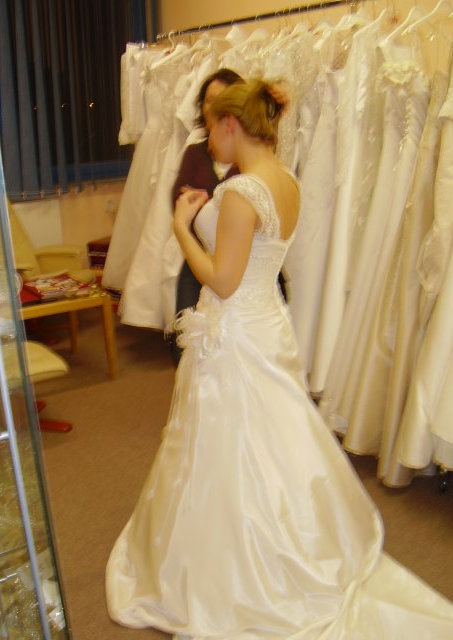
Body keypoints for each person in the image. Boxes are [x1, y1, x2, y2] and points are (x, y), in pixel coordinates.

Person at [106, 80, 453, 639]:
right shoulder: (285, 179)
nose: (208, 143)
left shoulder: (241, 191)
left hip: (237, 331)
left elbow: (221, 279)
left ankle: (239, 569)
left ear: (230, 125)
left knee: (232, 448)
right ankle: (289, 542)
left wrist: (181, 228)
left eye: (211, 128)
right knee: (273, 442)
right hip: (265, 321)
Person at [168, 68, 242, 366]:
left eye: (223, 99)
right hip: (198, 258)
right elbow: (178, 200)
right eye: (209, 100)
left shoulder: (250, 157)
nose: (215, 107)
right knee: (187, 349)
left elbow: (249, 212)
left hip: (241, 268)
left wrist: (205, 203)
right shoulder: (195, 153)